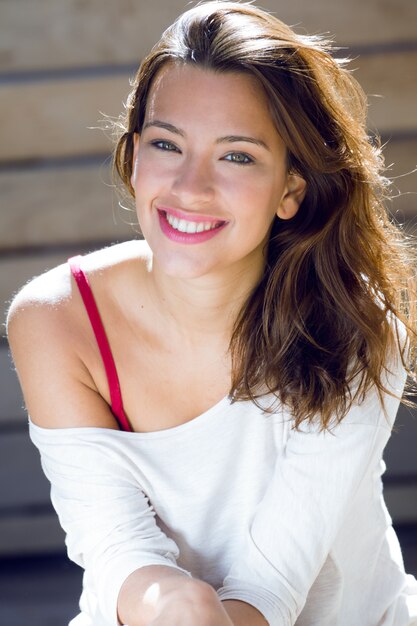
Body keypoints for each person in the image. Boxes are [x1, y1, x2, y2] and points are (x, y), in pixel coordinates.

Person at [6, 1, 417, 624]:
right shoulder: (57, 319)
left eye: (237, 156)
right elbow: (116, 550)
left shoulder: (353, 327)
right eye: (167, 144)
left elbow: (270, 590)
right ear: (135, 154)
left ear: (290, 190)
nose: (190, 187)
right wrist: (178, 603)